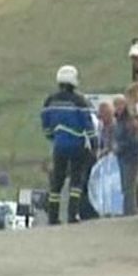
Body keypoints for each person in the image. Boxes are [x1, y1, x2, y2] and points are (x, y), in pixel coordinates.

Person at [41, 65, 95, 225]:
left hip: (59, 145)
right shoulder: (79, 100)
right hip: (77, 144)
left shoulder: (50, 100)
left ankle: (53, 217)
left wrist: (52, 137)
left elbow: (45, 124)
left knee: (57, 182)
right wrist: (94, 144)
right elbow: (88, 124)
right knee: (76, 181)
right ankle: (72, 215)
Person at [113, 95, 138, 216]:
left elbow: (133, 140)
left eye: (120, 104)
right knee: (125, 186)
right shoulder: (118, 121)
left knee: (128, 185)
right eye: (116, 105)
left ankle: (130, 211)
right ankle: (128, 210)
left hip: (131, 156)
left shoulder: (129, 121)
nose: (117, 108)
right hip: (122, 156)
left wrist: (120, 146)